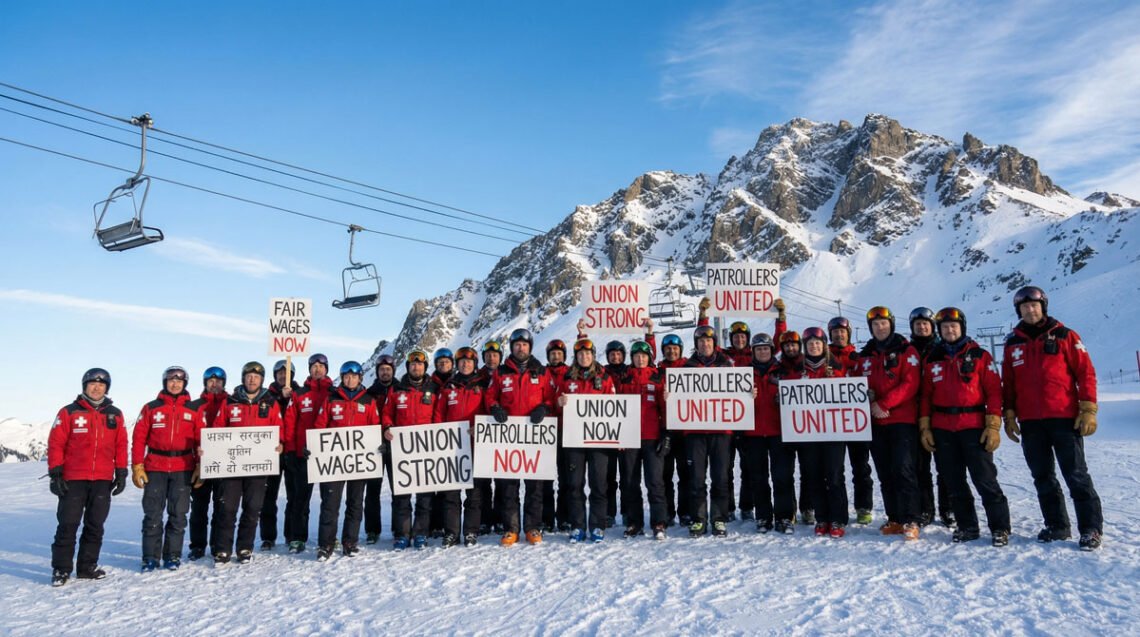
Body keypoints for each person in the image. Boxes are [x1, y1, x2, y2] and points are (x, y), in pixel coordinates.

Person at [1002, 286, 1102, 550]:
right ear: (1019, 311)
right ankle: (1057, 526)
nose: (1030, 310)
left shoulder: (1064, 335)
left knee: (1076, 475)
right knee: (1043, 477)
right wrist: (1009, 414)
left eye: (1034, 305)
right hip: (1031, 422)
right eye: (1024, 307)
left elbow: (1086, 373)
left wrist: (1088, 408)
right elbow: (1008, 383)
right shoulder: (1013, 343)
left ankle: (1090, 529)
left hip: (1064, 418)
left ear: (1043, 306)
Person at [918, 308, 1010, 546]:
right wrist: (925, 426)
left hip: (973, 426)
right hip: (943, 428)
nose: (949, 330)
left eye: (953, 326)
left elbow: (994, 391)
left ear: (962, 328)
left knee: (985, 480)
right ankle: (967, 526)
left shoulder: (979, 355)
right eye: (945, 327)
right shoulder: (933, 359)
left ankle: (1000, 527)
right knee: (954, 482)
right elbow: (926, 395)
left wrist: (993, 425)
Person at [47, 368, 128, 587]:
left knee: (95, 525)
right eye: (92, 384)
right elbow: (56, 443)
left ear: (106, 388)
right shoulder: (69, 412)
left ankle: (86, 567)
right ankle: (61, 569)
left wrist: (121, 472)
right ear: (85, 386)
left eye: (101, 385)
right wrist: (56, 472)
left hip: (102, 478)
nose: (96, 388)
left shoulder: (115, 414)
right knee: (68, 525)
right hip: (73, 478)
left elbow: (121, 444)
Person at [856, 307, 923, 541]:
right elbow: (855, 382)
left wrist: (885, 403)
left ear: (891, 324)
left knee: (904, 470)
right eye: (875, 325)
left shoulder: (906, 350)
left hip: (901, 420)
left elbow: (910, 383)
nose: (880, 328)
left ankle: (911, 518)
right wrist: (865, 396)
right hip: (875, 423)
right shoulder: (866, 355)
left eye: (883, 323)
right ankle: (894, 517)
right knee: (885, 472)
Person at [210, 361, 285, 564]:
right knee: (227, 509)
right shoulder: (230, 402)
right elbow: (217, 428)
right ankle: (223, 549)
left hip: (258, 466)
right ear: (243, 378)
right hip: (232, 466)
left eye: (256, 377)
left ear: (262, 380)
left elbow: (279, 428)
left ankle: (245, 547)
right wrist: (210, 447)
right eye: (249, 376)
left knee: (252, 508)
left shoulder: (270, 402)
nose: (252, 380)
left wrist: (280, 443)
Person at [777, 329, 850, 537]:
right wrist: (782, 398)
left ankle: (838, 518)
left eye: (817, 343)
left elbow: (849, 392)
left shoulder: (837, 368)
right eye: (810, 344)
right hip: (808, 432)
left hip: (834, 432)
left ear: (824, 345)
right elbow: (788, 394)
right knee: (813, 475)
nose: (814, 347)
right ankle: (822, 517)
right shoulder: (797, 371)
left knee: (834, 475)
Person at [486, 328, 555, 545]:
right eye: (517, 344)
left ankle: (532, 527)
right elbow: (489, 396)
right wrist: (495, 407)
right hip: (509, 436)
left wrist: (544, 407)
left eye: (524, 344)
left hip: (534, 436)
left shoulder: (541, 371)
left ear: (530, 347)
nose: (521, 348)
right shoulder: (501, 372)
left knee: (535, 487)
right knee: (509, 486)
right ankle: (511, 528)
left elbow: (551, 397)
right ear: (512, 347)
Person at [131, 365, 203, 571]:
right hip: (156, 466)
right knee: (153, 514)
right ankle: (150, 557)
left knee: (178, 515)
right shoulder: (151, 408)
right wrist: (137, 465)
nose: (175, 384)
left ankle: (172, 555)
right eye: (172, 380)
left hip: (183, 467)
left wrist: (201, 465)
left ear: (184, 384)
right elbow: (139, 438)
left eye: (179, 381)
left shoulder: (193, 410)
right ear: (165, 383)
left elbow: (201, 439)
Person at [312, 361, 381, 560]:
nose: (350, 380)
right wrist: (313, 445)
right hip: (334, 461)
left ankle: (350, 541)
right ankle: (326, 544)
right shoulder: (332, 399)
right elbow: (320, 425)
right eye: (346, 376)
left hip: (359, 462)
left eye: (354, 376)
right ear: (342, 378)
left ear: (360, 378)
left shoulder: (368, 400)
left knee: (355, 503)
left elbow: (375, 425)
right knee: (330, 504)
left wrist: (378, 444)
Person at [556, 338, 617, 542]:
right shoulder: (567, 377)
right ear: (576, 357)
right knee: (574, 484)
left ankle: (597, 525)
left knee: (598, 484)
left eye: (588, 354)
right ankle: (578, 525)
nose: (584, 357)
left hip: (598, 440)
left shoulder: (604, 377)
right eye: (581, 354)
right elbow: (555, 402)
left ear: (593, 355)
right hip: (574, 440)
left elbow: (615, 407)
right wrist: (559, 402)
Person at [381, 350, 442, 550]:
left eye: (420, 364)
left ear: (425, 367)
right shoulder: (397, 389)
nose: (416, 367)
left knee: (425, 496)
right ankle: (402, 534)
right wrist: (387, 427)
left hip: (426, 449)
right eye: (413, 364)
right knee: (402, 495)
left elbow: (438, 415)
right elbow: (387, 413)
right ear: (408, 367)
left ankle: (421, 533)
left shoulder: (434, 389)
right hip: (401, 450)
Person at [681, 324, 736, 538]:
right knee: (696, 478)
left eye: (708, 341)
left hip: (721, 430)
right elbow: (680, 396)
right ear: (696, 345)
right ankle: (699, 519)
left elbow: (736, 392)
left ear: (714, 343)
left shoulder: (726, 365)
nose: (705, 344)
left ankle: (719, 518)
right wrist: (671, 396)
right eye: (701, 341)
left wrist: (748, 392)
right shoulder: (688, 366)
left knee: (720, 477)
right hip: (695, 431)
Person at [434, 346, 491, 546]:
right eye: (462, 361)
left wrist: (481, 427)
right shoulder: (449, 387)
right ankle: (451, 532)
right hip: (452, 447)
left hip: (476, 446)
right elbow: (439, 414)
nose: (465, 364)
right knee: (451, 494)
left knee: (474, 494)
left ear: (475, 364)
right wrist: (440, 435)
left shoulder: (483, 386)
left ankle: (471, 531)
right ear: (457, 364)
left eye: (469, 361)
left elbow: (490, 411)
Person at [743, 333, 796, 535]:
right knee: (759, 478)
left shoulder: (783, 371)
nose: (763, 352)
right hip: (754, 433)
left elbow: (797, 396)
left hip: (779, 432)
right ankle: (763, 516)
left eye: (766, 348)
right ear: (753, 352)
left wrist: (785, 399)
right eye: (759, 349)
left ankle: (784, 516)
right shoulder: (744, 373)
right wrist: (746, 397)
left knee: (782, 477)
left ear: (772, 350)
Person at [281, 353, 334, 553]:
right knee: (300, 499)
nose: (317, 369)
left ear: (326, 369)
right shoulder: (299, 394)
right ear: (309, 370)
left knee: (330, 500)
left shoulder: (334, 392)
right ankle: (297, 537)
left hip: (329, 455)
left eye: (321, 366)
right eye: (314, 366)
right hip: (303, 454)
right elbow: (290, 422)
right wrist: (290, 450)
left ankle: (329, 537)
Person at [617, 340, 668, 539]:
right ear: (632, 358)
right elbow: (614, 408)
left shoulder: (657, 378)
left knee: (655, 482)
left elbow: (664, 408)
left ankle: (659, 522)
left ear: (649, 358)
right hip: (629, 438)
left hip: (652, 437)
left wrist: (665, 434)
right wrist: (618, 436)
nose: (640, 359)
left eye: (644, 356)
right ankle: (634, 522)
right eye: (637, 356)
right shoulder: (624, 378)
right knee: (630, 483)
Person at [909, 307, 953, 528]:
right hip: (914, 414)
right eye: (917, 324)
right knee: (920, 467)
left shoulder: (943, 349)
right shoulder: (907, 350)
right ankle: (925, 509)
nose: (922, 327)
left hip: (940, 413)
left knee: (946, 465)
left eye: (925, 323)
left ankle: (948, 508)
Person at [828, 316, 874, 526]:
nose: (839, 335)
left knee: (861, 466)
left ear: (848, 334)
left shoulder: (859, 358)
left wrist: (870, 391)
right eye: (835, 332)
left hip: (856, 421)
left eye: (842, 332)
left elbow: (871, 378)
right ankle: (837, 509)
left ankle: (863, 507)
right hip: (831, 422)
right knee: (834, 469)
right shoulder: (824, 358)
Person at [261, 359, 302, 551]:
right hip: (271, 451)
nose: (283, 376)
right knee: (268, 496)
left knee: (294, 495)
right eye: (279, 373)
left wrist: (290, 397)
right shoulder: (265, 396)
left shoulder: (300, 393)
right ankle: (268, 537)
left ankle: (291, 534)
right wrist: (280, 398)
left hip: (292, 450)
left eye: (286, 373)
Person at [187, 366, 227, 561]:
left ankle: (218, 545)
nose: (214, 384)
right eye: (210, 381)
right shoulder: (195, 406)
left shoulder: (231, 403)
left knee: (222, 507)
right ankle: (197, 545)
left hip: (224, 463)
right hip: (200, 464)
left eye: (218, 381)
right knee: (199, 508)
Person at [656, 333, 691, 527]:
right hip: (666, 430)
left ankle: (685, 512)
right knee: (665, 475)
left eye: (675, 349)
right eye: (668, 349)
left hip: (685, 430)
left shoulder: (689, 368)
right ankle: (668, 512)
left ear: (680, 350)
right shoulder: (658, 371)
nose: (671, 352)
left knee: (685, 474)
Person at [364, 354, 397, 543]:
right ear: (377, 372)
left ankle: (398, 528)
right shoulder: (369, 393)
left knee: (398, 488)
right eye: (382, 370)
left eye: (388, 369)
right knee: (372, 491)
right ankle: (372, 530)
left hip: (397, 445)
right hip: (374, 447)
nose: (385, 372)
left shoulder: (400, 389)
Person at [428, 349, 456, 538]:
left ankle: (447, 523)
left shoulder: (457, 382)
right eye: (440, 362)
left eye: (446, 362)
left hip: (452, 438)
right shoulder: (429, 384)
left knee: (448, 485)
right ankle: (433, 523)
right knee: (431, 484)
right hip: (431, 437)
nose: (443, 365)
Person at [478, 340, 503, 533]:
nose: (491, 358)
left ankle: (501, 518)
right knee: (483, 481)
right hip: (482, 433)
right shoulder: (476, 378)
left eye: (494, 355)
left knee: (503, 479)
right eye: (487, 356)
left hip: (503, 431)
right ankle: (485, 519)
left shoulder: (505, 374)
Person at [545, 339, 571, 531]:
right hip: (545, 430)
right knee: (544, 477)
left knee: (566, 477)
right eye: (553, 354)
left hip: (565, 429)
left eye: (559, 354)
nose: (556, 357)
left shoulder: (571, 373)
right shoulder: (541, 373)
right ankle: (546, 518)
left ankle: (564, 517)